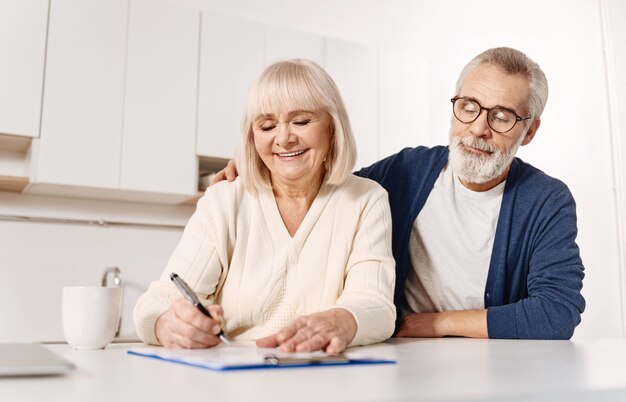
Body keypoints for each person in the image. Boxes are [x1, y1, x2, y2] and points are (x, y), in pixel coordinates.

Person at [215, 47, 585, 340]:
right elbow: (324, 186)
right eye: (468, 108)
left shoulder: (547, 200)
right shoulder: (408, 171)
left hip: (492, 361)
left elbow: (555, 313)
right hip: (400, 357)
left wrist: (433, 324)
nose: (478, 129)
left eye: (502, 116)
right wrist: (259, 167)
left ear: (530, 131)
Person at [134, 59, 396, 353]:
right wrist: (166, 324)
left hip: (323, 373)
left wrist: (341, 320)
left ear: (333, 128)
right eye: (267, 125)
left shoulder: (366, 200)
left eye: (302, 121)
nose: (283, 138)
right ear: (253, 137)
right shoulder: (225, 201)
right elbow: (158, 301)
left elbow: (377, 306)